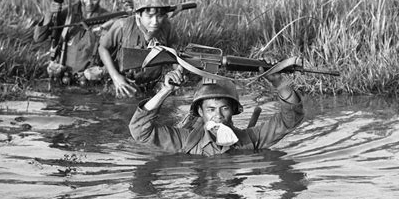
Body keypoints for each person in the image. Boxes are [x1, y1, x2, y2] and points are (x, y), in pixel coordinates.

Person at [128, 65, 305, 156]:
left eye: (224, 108)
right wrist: (166, 91)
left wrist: (280, 83)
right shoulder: (186, 142)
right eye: (211, 109)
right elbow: (140, 131)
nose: (218, 116)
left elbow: (290, 119)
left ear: (235, 110)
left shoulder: (249, 140)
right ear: (200, 112)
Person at [34, 0, 130, 85]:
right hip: (62, 81)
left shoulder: (108, 20)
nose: (89, 3)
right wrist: (49, 14)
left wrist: (102, 71)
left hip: (89, 86)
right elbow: (38, 38)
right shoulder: (67, 14)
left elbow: (118, 56)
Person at [98, 0, 178, 98]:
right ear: (138, 14)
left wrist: (177, 71)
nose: (155, 22)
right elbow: (103, 48)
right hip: (125, 83)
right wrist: (115, 77)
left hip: (153, 84)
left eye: (159, 16)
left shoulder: (167, 27)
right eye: (149, 16)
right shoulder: (122, 26)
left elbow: (174, 52)